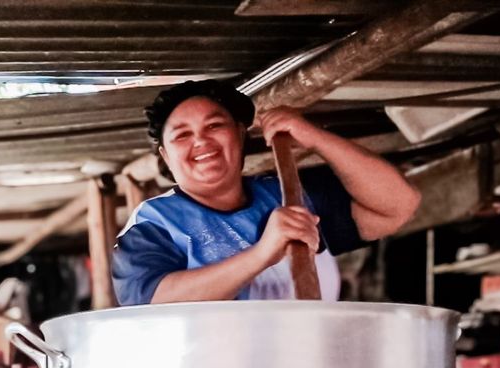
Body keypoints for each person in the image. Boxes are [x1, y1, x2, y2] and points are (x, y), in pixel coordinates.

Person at [112, 79, 421, 305]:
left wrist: (313, 137)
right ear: (166, 156)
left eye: (214, 126)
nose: (201, 141)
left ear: (239, 134)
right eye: (182, 135)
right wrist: (264, 252)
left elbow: (398, 205)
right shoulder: (155, 223)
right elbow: (151, 302)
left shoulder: (290, 194)